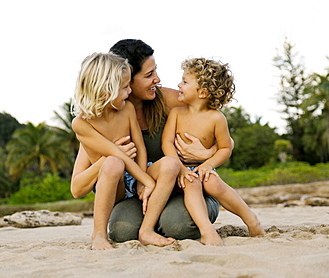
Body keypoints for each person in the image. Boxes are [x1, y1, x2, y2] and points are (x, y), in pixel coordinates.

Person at [106, 39, 221, 242]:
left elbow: (218, 127)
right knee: (122, 232)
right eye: (149, 75)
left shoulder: (170, 100)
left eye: (155, 71)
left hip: (186, 187)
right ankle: (152, 225)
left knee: (179, 227)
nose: (157, 79)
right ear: (126, 79)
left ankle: (170, 221)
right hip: (139, 194)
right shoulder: (108, 115)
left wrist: (209, 154)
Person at [71, 52, 173, 250]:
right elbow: (117, 156)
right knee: (113, 162)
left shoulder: (126, 109)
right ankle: (99, 233)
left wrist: (144, 181)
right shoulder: (82, 124)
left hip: (137, 172)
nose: (129, 93)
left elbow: (140, 148)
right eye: (125, 88)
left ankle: (147, 229)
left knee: (170, 164)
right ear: (105, 92)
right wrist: (145, 179)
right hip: (114, 182)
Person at [162, 58, 265, 245]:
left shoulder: (217, 118)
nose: (179, 84)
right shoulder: (176, 113)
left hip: (203, 167)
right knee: (191, 183)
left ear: (202, 92)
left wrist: (208, 164)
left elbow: (226, 148)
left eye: (185, 82)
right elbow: (166, 142)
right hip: (177, 168)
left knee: (213, 184)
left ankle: (251, 219)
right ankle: (206, 231)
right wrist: (179, 167)